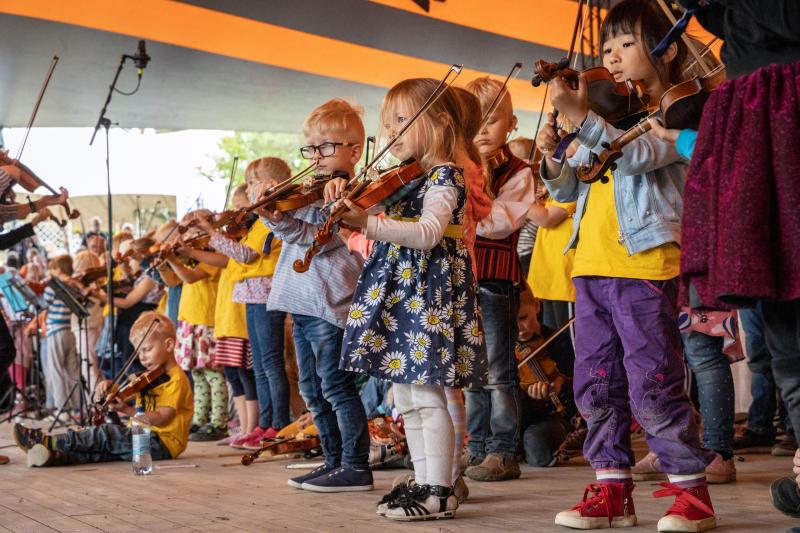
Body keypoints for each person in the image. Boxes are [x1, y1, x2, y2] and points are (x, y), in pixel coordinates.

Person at [536, 0, 717, 530]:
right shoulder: (608, 118)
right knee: (593, 381)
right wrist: (553, 154)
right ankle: (611, 489)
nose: (610, 56)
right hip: (590, 267)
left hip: (645, 263)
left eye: (626, 43)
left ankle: (692, 492)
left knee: (653, 379)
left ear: (667, 49)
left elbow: (633, 156)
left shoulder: (674, 115)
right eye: (607, 46)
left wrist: (577, 118)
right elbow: (571, 185)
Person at [333, 79, 487, 520]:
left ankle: (439, 489)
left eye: (402, 120)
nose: (392, 132)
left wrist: (368, 222)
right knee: (407, 398)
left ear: (438, 122)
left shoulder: (445, 176)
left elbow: (428, 233)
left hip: (427, 297)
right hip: (404, 295)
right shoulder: (408, 179)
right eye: (388, 124)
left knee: (426, 395)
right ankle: (423, 483)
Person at [257, 98, 372, 493]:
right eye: (310, 148)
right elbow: (294, 231)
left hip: (330, 306)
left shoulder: (353, 194)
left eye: (325, 147)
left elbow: (316, 242)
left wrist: (280, 220)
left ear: (354, 151)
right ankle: (333, 460)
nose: (316, 157)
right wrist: (273, 210)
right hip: (302, 305)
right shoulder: (312, 193)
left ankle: (356, 465)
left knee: (336, 387)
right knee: (311, 389)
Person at [461, 76, 535, 483]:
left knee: (499, 372)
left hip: (495, 281)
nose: (484, 128)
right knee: (469, 370)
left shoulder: (520, 172)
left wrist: (465, 209)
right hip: (460, 281)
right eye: (476, 120)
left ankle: (503, 451)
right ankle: (476, 447)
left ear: (512, 123)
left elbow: (501, 224)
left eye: (494, 119)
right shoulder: (456, 169)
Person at [13, 311, 193, 466]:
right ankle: (55, 457)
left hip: (161, 443)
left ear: (169, 345)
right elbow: (125, 391)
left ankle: (50, 441)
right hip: (143, 437)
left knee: (107, 434)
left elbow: (162, 417)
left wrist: (128, 411)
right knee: (104, 448)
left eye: (147, 350)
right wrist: (109, 387)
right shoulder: (148, 375)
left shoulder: (175, 379)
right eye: (139, 352)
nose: (142, 358)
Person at [203, 165, 290, 451]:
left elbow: (245, 255)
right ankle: (264, 424)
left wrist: (209, 232)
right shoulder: (254, 224)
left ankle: (277, 424)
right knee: (262, 366)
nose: (249, 188)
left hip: (266, 297)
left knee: (270, 364)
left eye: (252, 182)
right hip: (252, 298)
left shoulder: (267, 222)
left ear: (272, 183)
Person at [164, 211, 228, 441]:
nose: (189, 235)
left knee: (213, 374)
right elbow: (173, 281)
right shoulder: (194, 256)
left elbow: (190, 277)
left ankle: (219, 422)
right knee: (199, 375)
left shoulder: (213, 255)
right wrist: (164, 265)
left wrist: (172, 260)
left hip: (207, 321)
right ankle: (200, 419)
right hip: (190, 322)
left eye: (192, 230)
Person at [41, 255, 82, 415]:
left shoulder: (52, 287)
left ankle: (62, 410)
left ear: (58, 269)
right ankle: (78, 407)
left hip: (55, 331)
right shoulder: (74, 285)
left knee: (56, 370)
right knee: (73, 369)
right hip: (69, 330)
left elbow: (44, 307)